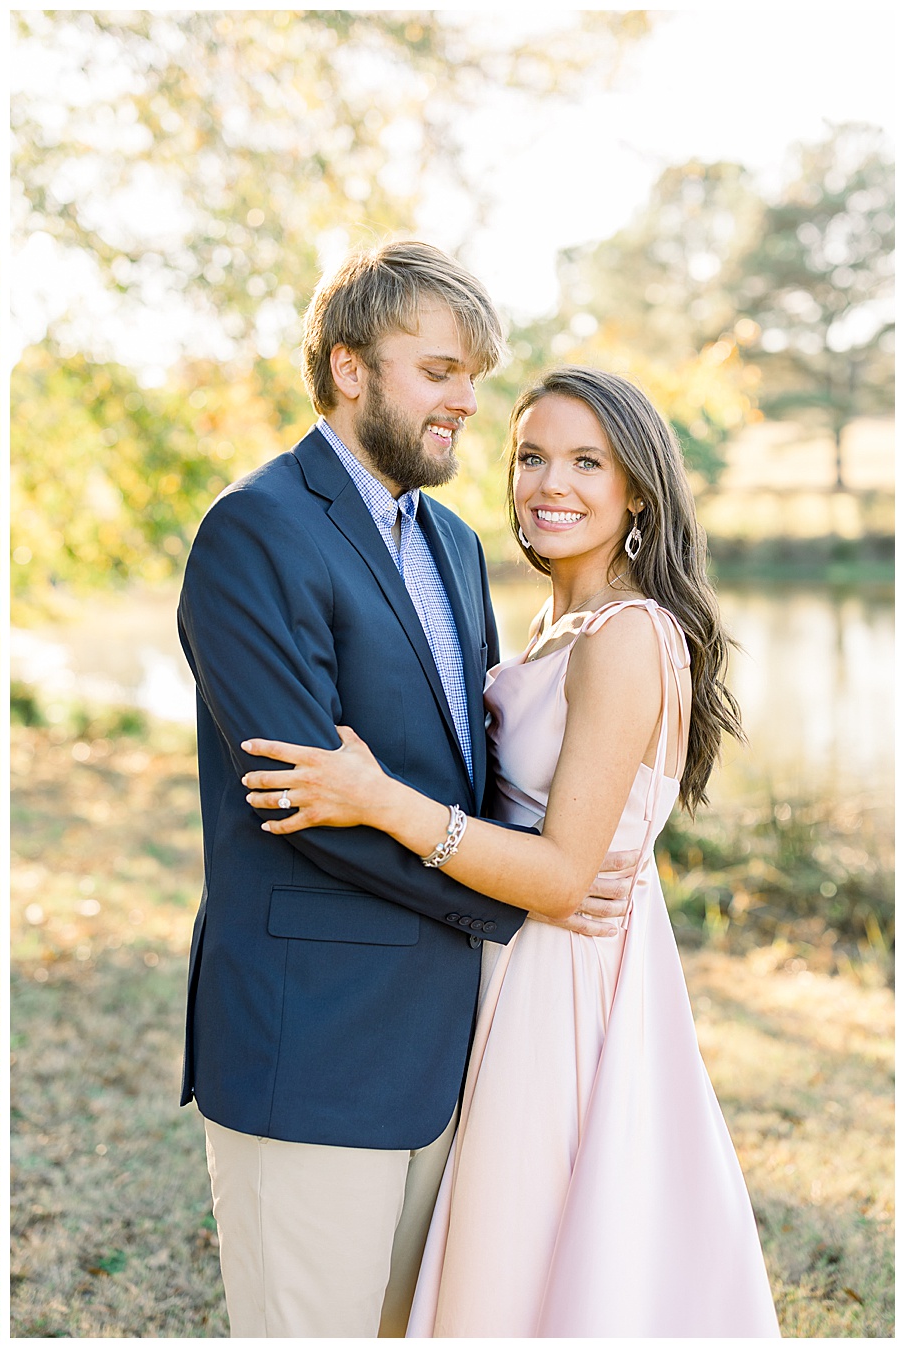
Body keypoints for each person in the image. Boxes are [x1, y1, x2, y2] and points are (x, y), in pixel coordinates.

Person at [242, 366, 778, 1335]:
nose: (549, 484)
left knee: (533, 1263)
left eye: (586, 461)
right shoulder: (546, 625)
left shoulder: (626, 636)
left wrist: (379, 800)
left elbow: (567, 875)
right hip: (501, 965)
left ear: (637, 491)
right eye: (531, 456)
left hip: (567, 982)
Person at [175, 242, 633, 1336]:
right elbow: (304, 797)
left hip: (454, 1042)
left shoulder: (455, 544)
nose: (465, 402)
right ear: (348, 368)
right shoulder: (256, 529)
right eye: (438, 371)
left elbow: (460, 776)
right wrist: (522, 896)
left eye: (472, 376)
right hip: (311, 1041)